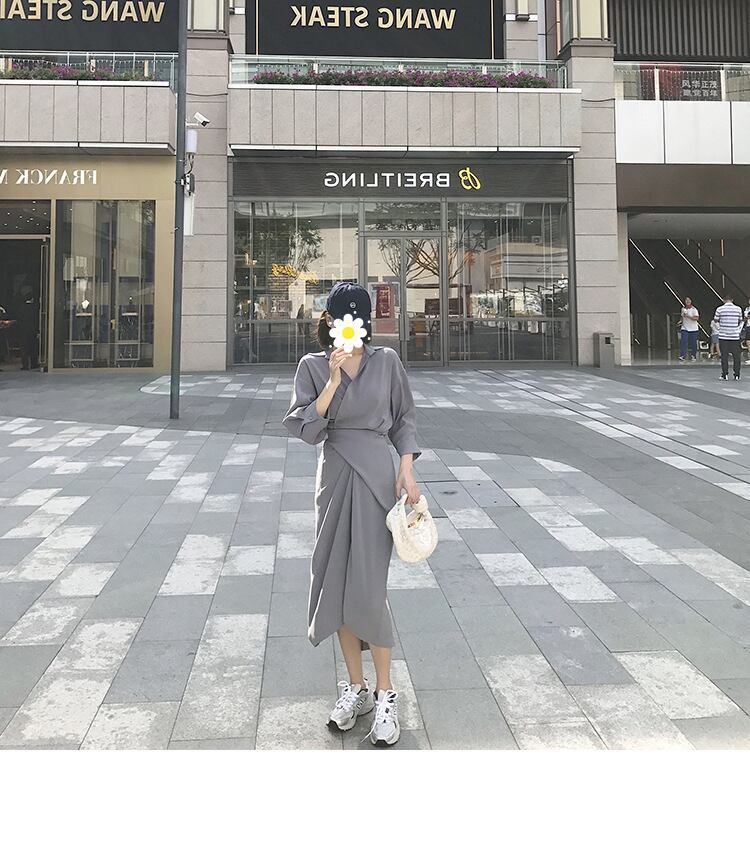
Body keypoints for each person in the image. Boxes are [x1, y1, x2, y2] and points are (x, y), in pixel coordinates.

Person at [282, 282, 421, 748]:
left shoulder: (387, 362)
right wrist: (333, 381)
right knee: (336, 583)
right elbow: (305, 428)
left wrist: (406, 469)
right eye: (344, 318)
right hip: (335, 473)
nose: (353, 327)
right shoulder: (312, 366)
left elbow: (404, 418)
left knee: (368, 586)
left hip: (377, 475)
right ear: (329, 320)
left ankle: (385, 693)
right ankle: (356, 687)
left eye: (359, 319)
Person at [714, 295, 744, 380]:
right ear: (732, 300)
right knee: (736, 356)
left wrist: (720, 328)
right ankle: (737, 374)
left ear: (724, 300)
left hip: (723, 335)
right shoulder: (738, 309)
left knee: (724, 356)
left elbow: (715, 320)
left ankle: (725, 374)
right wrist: (737, 329)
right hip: (734, 336)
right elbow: (740, 320)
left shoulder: (720, 309)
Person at [678, 297, 699, 362]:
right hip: (685, 328)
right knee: (683, 341)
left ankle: (693, 355)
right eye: (686, 300)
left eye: (689, 300)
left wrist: (688, 316)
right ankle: (682, 355)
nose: (688, 301)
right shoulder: (683, 309)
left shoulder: (694, 309)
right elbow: (682, 316)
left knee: (693, 343)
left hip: (694, 329)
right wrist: (680, 321)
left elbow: (696, 318)